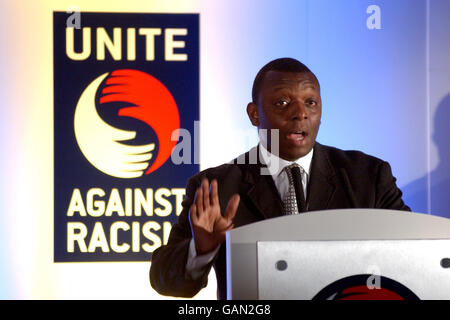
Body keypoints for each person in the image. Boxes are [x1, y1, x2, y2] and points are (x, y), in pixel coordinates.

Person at [149, 57, 410, 300]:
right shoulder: (216, 187)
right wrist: (200, 250)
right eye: (282, 103)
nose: (300, 114)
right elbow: (166, 281)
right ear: (254, 114)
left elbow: (412, 254)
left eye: (311, 102)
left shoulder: (368, 176)